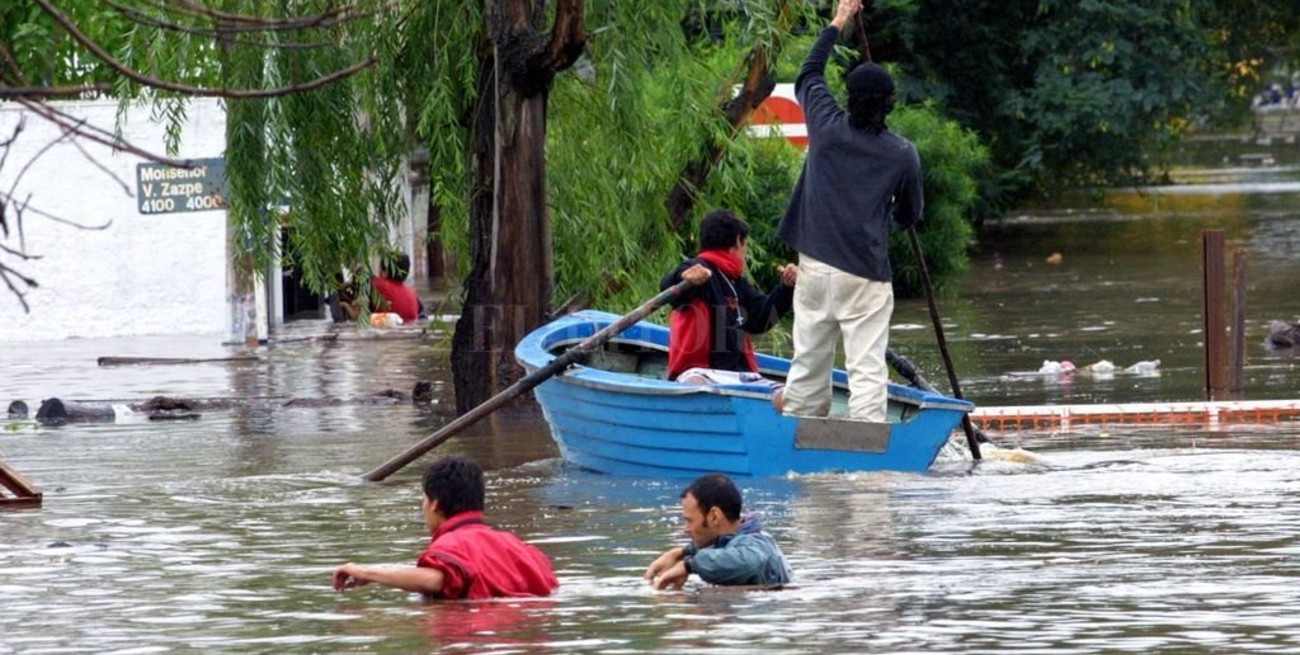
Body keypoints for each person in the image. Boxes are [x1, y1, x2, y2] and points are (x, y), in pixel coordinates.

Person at [776, 0, 922, 422]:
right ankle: (867, 464)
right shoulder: (902, 155)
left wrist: (838, 21)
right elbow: (910, 215)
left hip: (815, 267)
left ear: (851, 99)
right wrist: (886, 219)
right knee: (866, 369)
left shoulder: (825, 125)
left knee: (807, 364)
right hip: (865, 273)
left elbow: (809, 72)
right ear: (889, 103)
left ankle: (802, 438)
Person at [332, 456, 558, 600]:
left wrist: (368, 573)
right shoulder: (520, 547)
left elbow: (434, 580)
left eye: (423, 500)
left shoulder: (451, 545)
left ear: (435, 504)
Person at [660, 209, 798, 383]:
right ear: (738, 241)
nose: (745, 252)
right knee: (697, 384)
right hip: (699, 371)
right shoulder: (698, 269)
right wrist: (683, 278)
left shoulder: (736, 281)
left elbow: (761, 320)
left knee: (785, 397)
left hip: (737, 373)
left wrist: (786, 288)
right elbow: (668, 289)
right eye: (745, 244)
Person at [643, 473, 792, 590]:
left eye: (689, 521)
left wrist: (688, 565)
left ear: (714, 516)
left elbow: (751, 561)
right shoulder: (741, 537)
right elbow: (722, 547)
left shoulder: (753, 546)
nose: (685, 529)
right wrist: (680, 553)